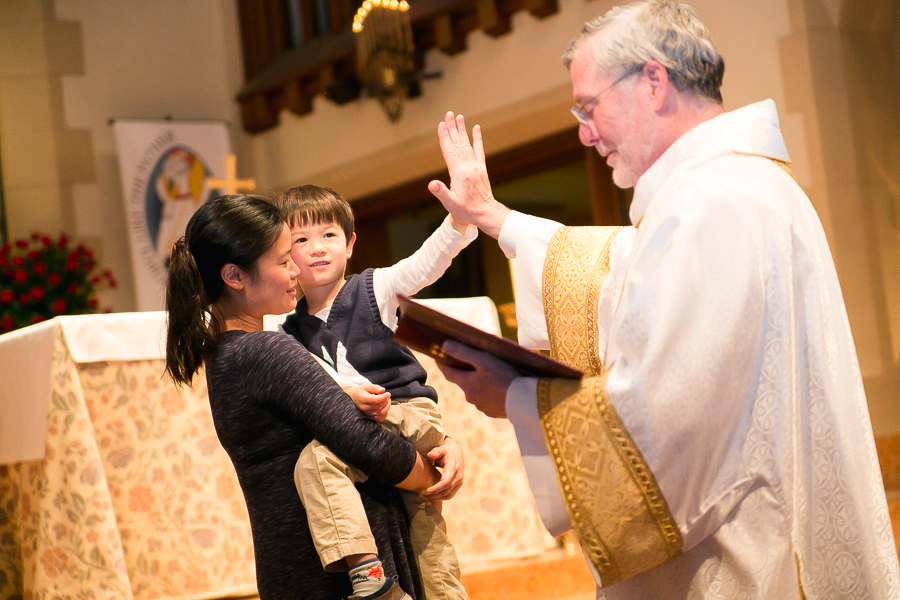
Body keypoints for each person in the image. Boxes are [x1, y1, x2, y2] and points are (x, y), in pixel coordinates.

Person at [426, 1, 900, 598]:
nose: (584, 131)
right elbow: (618, 275)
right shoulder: (724, 190)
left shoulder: (713, 204)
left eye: (589, 106)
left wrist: (518, 396)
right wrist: (496, 219)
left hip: (732, 569)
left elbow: (665, 417)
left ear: (654, 81)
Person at [164, 194, 462, 600]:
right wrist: (435, 473)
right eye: (285, 258)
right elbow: (369, 444)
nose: (295, 270)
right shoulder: (267, 349)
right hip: (328, 574)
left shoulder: (226, 353)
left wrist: (442, 441)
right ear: (234, 275)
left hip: (297, 561)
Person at [277, 185, 473, 600]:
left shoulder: (375, 289)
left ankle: (395, 583)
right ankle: (379, 580)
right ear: (284, 255)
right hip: (362, 432)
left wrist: (458, 222)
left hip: (410, 414)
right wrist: (348, 396)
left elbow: (425, 265)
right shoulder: (287, 332)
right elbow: (307, 389)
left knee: (323, 462)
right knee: (425, 539)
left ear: (349, 243)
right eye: (300, 239)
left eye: (328, 235)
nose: (317, 248)